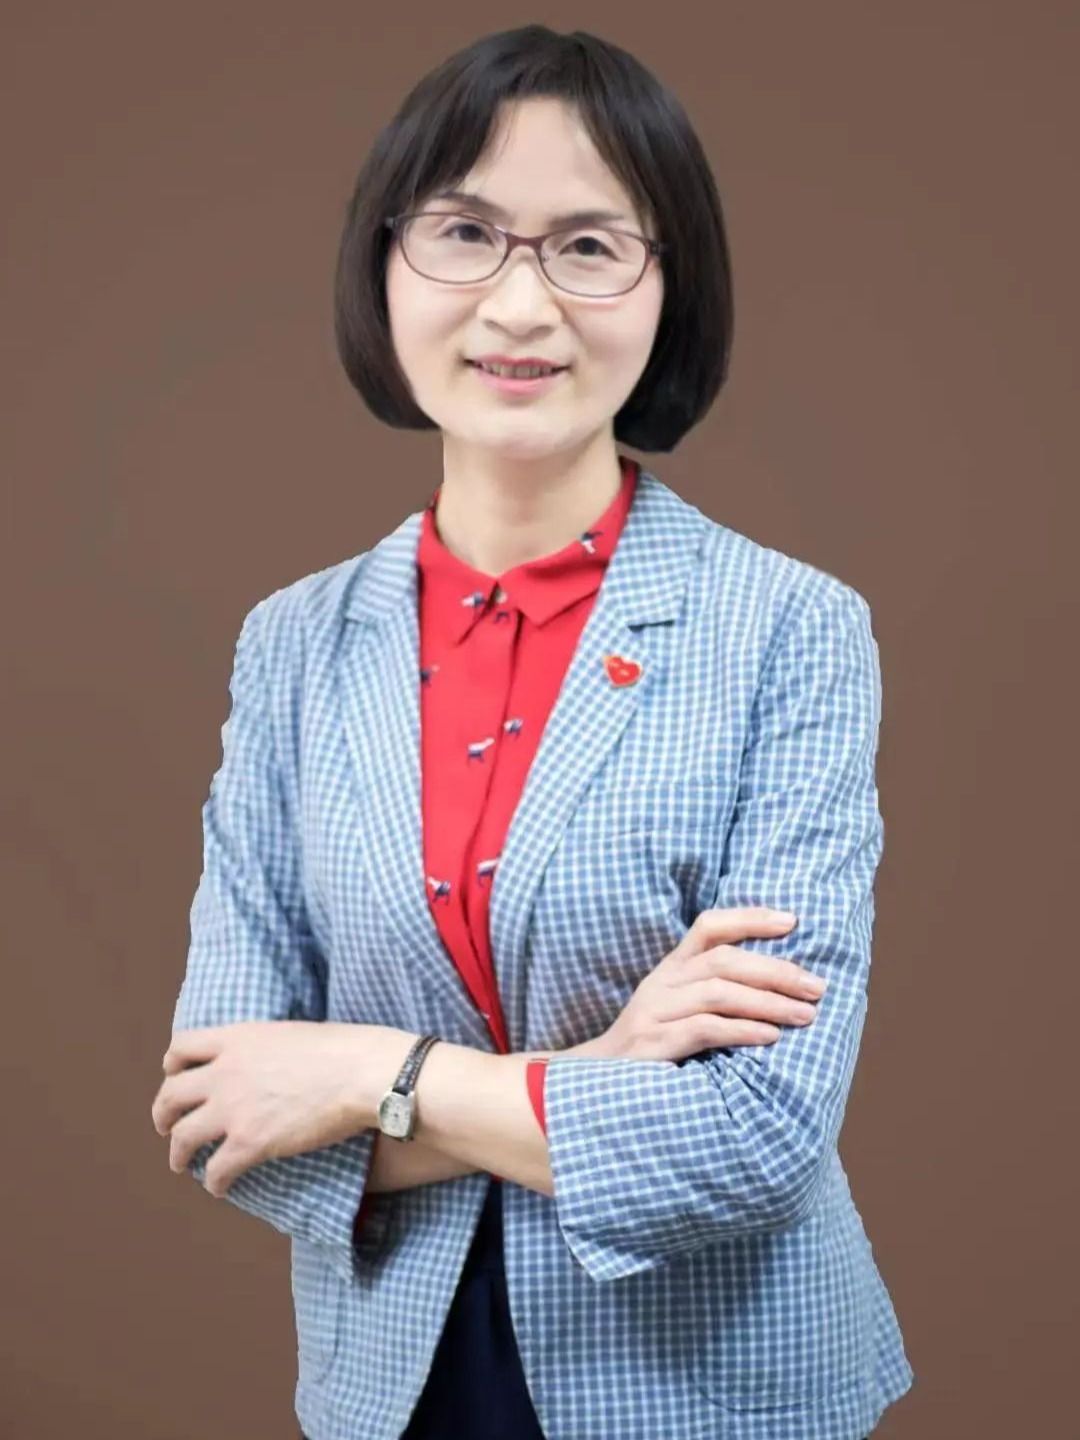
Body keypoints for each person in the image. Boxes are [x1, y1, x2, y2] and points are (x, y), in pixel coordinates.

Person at [152, 24, 914, 1440]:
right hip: (391, 1387)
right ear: (385, 266)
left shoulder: (790, 628)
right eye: (465, 232)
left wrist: (364, 1079)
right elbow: (227, 1115)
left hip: (718, 1391)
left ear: (670, 289)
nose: (520, 303)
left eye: (588, 247)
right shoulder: (293, 644)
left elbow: (757, 1136)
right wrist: (606, 1070)